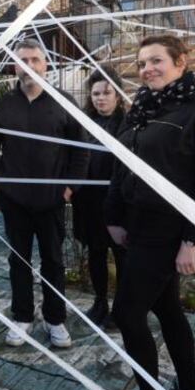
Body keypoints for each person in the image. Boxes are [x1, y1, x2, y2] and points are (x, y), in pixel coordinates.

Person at [104, 35, 195, 390]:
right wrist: (114, 216)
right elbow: (120, 164)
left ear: (181, 62)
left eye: (156, 61)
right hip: (135, 226)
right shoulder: (142, 107)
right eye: (142, 63)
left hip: (168, 228)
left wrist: (192, 239)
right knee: (166, 308)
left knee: (127, 312)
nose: (147, 69)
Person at [0, 39, 88, 349]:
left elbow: (80, 151)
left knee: (54, 261)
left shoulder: (63, 102)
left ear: (46, 65)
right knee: (18, 260)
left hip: (51, 200)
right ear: (15, 66)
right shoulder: (4, 104)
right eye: (23, 60)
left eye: (35, 59)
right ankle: (22, 316)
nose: (29, 65)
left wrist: (70, 187)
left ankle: (55, 320)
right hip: (14, 200)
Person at [74, 66, 127, 327]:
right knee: (95, 252)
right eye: (95, 93)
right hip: (89, 201)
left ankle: (121, 307)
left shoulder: (127, 125)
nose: (100, 98)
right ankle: (99, 301)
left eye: (106, 93)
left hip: (118, 203)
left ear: (117, 95)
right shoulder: (84, 122)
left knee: (121, 255)